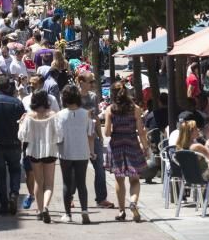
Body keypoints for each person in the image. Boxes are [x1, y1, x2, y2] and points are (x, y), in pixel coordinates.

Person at [104, 82, 148, 222]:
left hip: (117, 145)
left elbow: (107, 132)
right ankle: (133, 202)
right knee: (134, 179)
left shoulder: (110, 109)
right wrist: (146, 147)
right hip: (132, 144)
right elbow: (141, 131)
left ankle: (121, 211)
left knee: (119, 179)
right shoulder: (135, 109)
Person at [18, 90, 60, 223]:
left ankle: (40, 210)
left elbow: (21, 136)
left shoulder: (29, 116)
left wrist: (20, 123)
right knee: (49, 183)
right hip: (50, 151)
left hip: (34, 151)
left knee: (38, 181)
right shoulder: (53, 115)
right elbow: (60, 133)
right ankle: (46, 206)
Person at [56, 85, 95, 224]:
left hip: (66, 152)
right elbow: (90, 134)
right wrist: (92, 152)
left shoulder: (60, 115)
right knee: (81, 183)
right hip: (82, 152)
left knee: (67, 183)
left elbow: (58, 136)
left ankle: (68, 214)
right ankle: (84, 210)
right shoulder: (86, 114)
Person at [78, 72, 114, 209]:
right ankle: (69, 197)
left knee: (100, 167)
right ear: (81, 82)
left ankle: (101, 198)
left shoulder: (93, 97)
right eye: (90, 81)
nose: (93, 84)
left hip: (93, 137)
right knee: (76, 169)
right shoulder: (73, 96)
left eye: (93, 81)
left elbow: (96, 118)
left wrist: (100, 136)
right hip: (79, 137)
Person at [0, 76, 25, 215]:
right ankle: (14, 193)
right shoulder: (16, 102)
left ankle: (3, 204)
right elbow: (23, 123)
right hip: (14, 143)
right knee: (15, 170)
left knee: (0, 175)